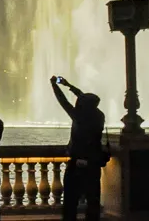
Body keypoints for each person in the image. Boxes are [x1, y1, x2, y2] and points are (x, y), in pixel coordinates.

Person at [51, 76, 105, 221]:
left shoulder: (79, 116)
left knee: (70, 201)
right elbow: (83, 97)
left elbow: (63, 101)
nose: (78, 102)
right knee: (93, 200)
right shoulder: (99, 115)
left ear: (83, 105)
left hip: (77, 165)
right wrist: (69, 85)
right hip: (93, 165)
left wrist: (54, 86)